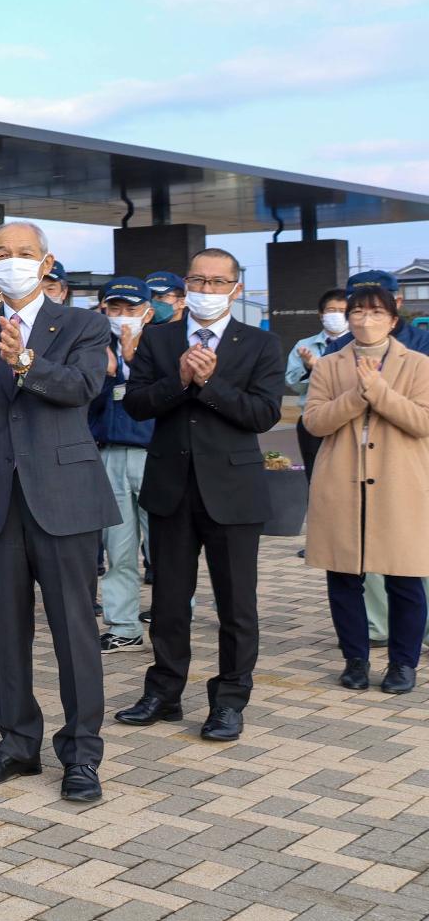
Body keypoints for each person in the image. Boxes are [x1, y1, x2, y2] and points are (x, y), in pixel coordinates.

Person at [0, 222, 115, 803]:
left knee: (74, 630)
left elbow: (83, 387)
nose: (11, 262)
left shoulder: (85, 323)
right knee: (7, 629)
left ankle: (82, 753)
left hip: (63, 496)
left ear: (46, 263)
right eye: (1, 254)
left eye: (24, 254)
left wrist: (23, 364)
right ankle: (17, 742)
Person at [115, 250, 285, 741]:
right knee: (169, 601)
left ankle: (230, 700)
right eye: (197, 280)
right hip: (171, 488)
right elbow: (140, 405)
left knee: (236, 605)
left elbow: (262, 414)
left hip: (233, 491)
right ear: (184, 285)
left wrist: (208, 382)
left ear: (235, 288)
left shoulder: (260, 343)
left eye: (217, 282)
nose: (206, 290)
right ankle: (164, 692)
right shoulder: (160, 337)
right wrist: (181, 379)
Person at [302, 284, 429, 695]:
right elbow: (316, 422)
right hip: (341, 484)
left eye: (375, 313)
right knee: (343, 578)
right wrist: (358, 394)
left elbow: (423, 422)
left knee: (405, 579)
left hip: (401, 485)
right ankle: (355, 659)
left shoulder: (420, 365)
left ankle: (403, 663)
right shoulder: (328, 365)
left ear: (394, 320)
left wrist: (378, 391)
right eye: (357, 311)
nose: (364, 320)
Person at [90, 278, 154, 651]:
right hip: (110, 454)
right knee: (119, 547)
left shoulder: (163, 346)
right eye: (116, 309)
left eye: (131, 309)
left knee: (165, 546)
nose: (123, 317)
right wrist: (108, 375)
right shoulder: (96, 348)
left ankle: (174, 614)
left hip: (155, 454)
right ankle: (123, 626)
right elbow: (82, 404)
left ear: (147, 311)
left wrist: (133, 364)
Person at [287, 289, 350, 472]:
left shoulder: (358, 345)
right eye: (331, 310)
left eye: (342, 310)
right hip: (312, 420)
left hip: (348, 420)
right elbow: (293, 384)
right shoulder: (304, 345)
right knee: (315, 477)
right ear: (321, 315)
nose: (337, 315)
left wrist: (320, 367)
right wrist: (309, 369)